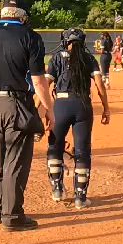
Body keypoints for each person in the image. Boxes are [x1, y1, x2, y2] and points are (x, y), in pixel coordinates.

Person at [0, 0, 53, 232]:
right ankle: (12, 216)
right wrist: (49, 110)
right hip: (18, 104)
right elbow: (38, 81)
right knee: (15, 161)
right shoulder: (30, 37)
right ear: (23, 16)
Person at [45, 28, 111, 209]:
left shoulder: (57, 58)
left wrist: (38, 109)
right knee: (82, 151)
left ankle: (57, 189)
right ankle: (80, 198)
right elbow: (99, 85)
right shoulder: (89, 59)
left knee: (55, 146)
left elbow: (45, 84)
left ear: (64, 41)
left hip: (61, 105)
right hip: (83, 106)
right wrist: (106, 108)